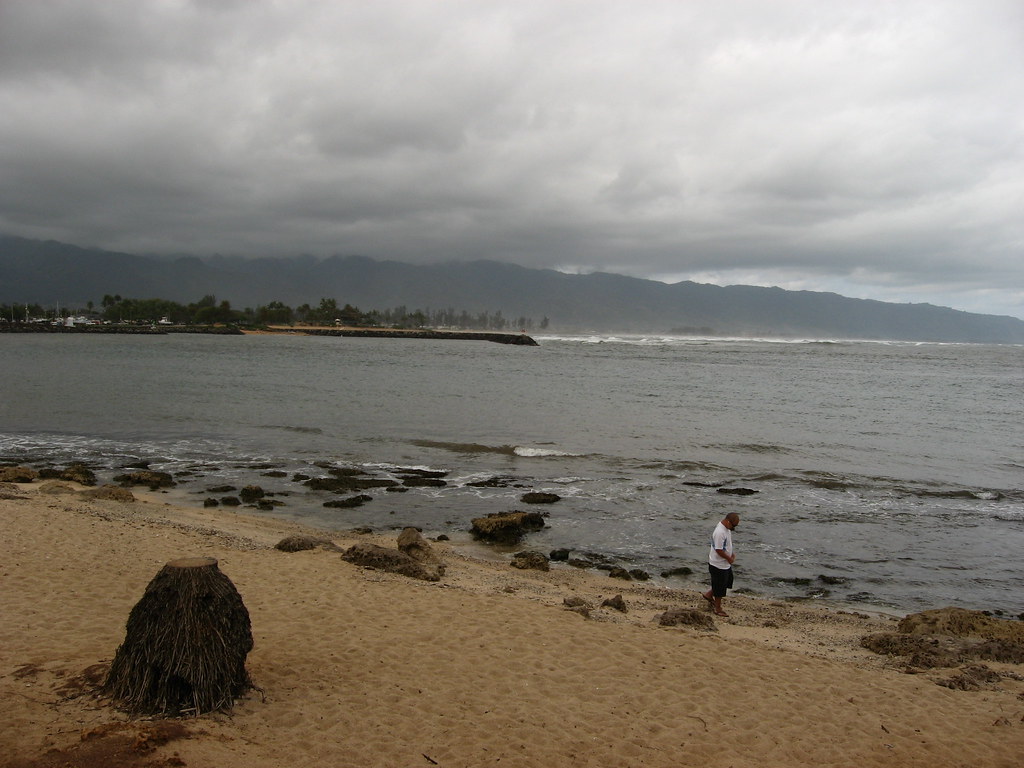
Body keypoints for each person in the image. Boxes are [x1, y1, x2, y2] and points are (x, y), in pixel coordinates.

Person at [702, 512, 739, 617]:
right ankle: (718, 608)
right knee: (720, 588)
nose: (734, 528)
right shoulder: (719, 532)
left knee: (726, 582)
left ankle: (709, 594)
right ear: (728, 521)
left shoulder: (726, 529)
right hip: (718, 564)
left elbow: (726, 545)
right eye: (734, 526)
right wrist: (729, 558)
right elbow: (718, 549)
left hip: (725, 564)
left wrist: (731, 554)